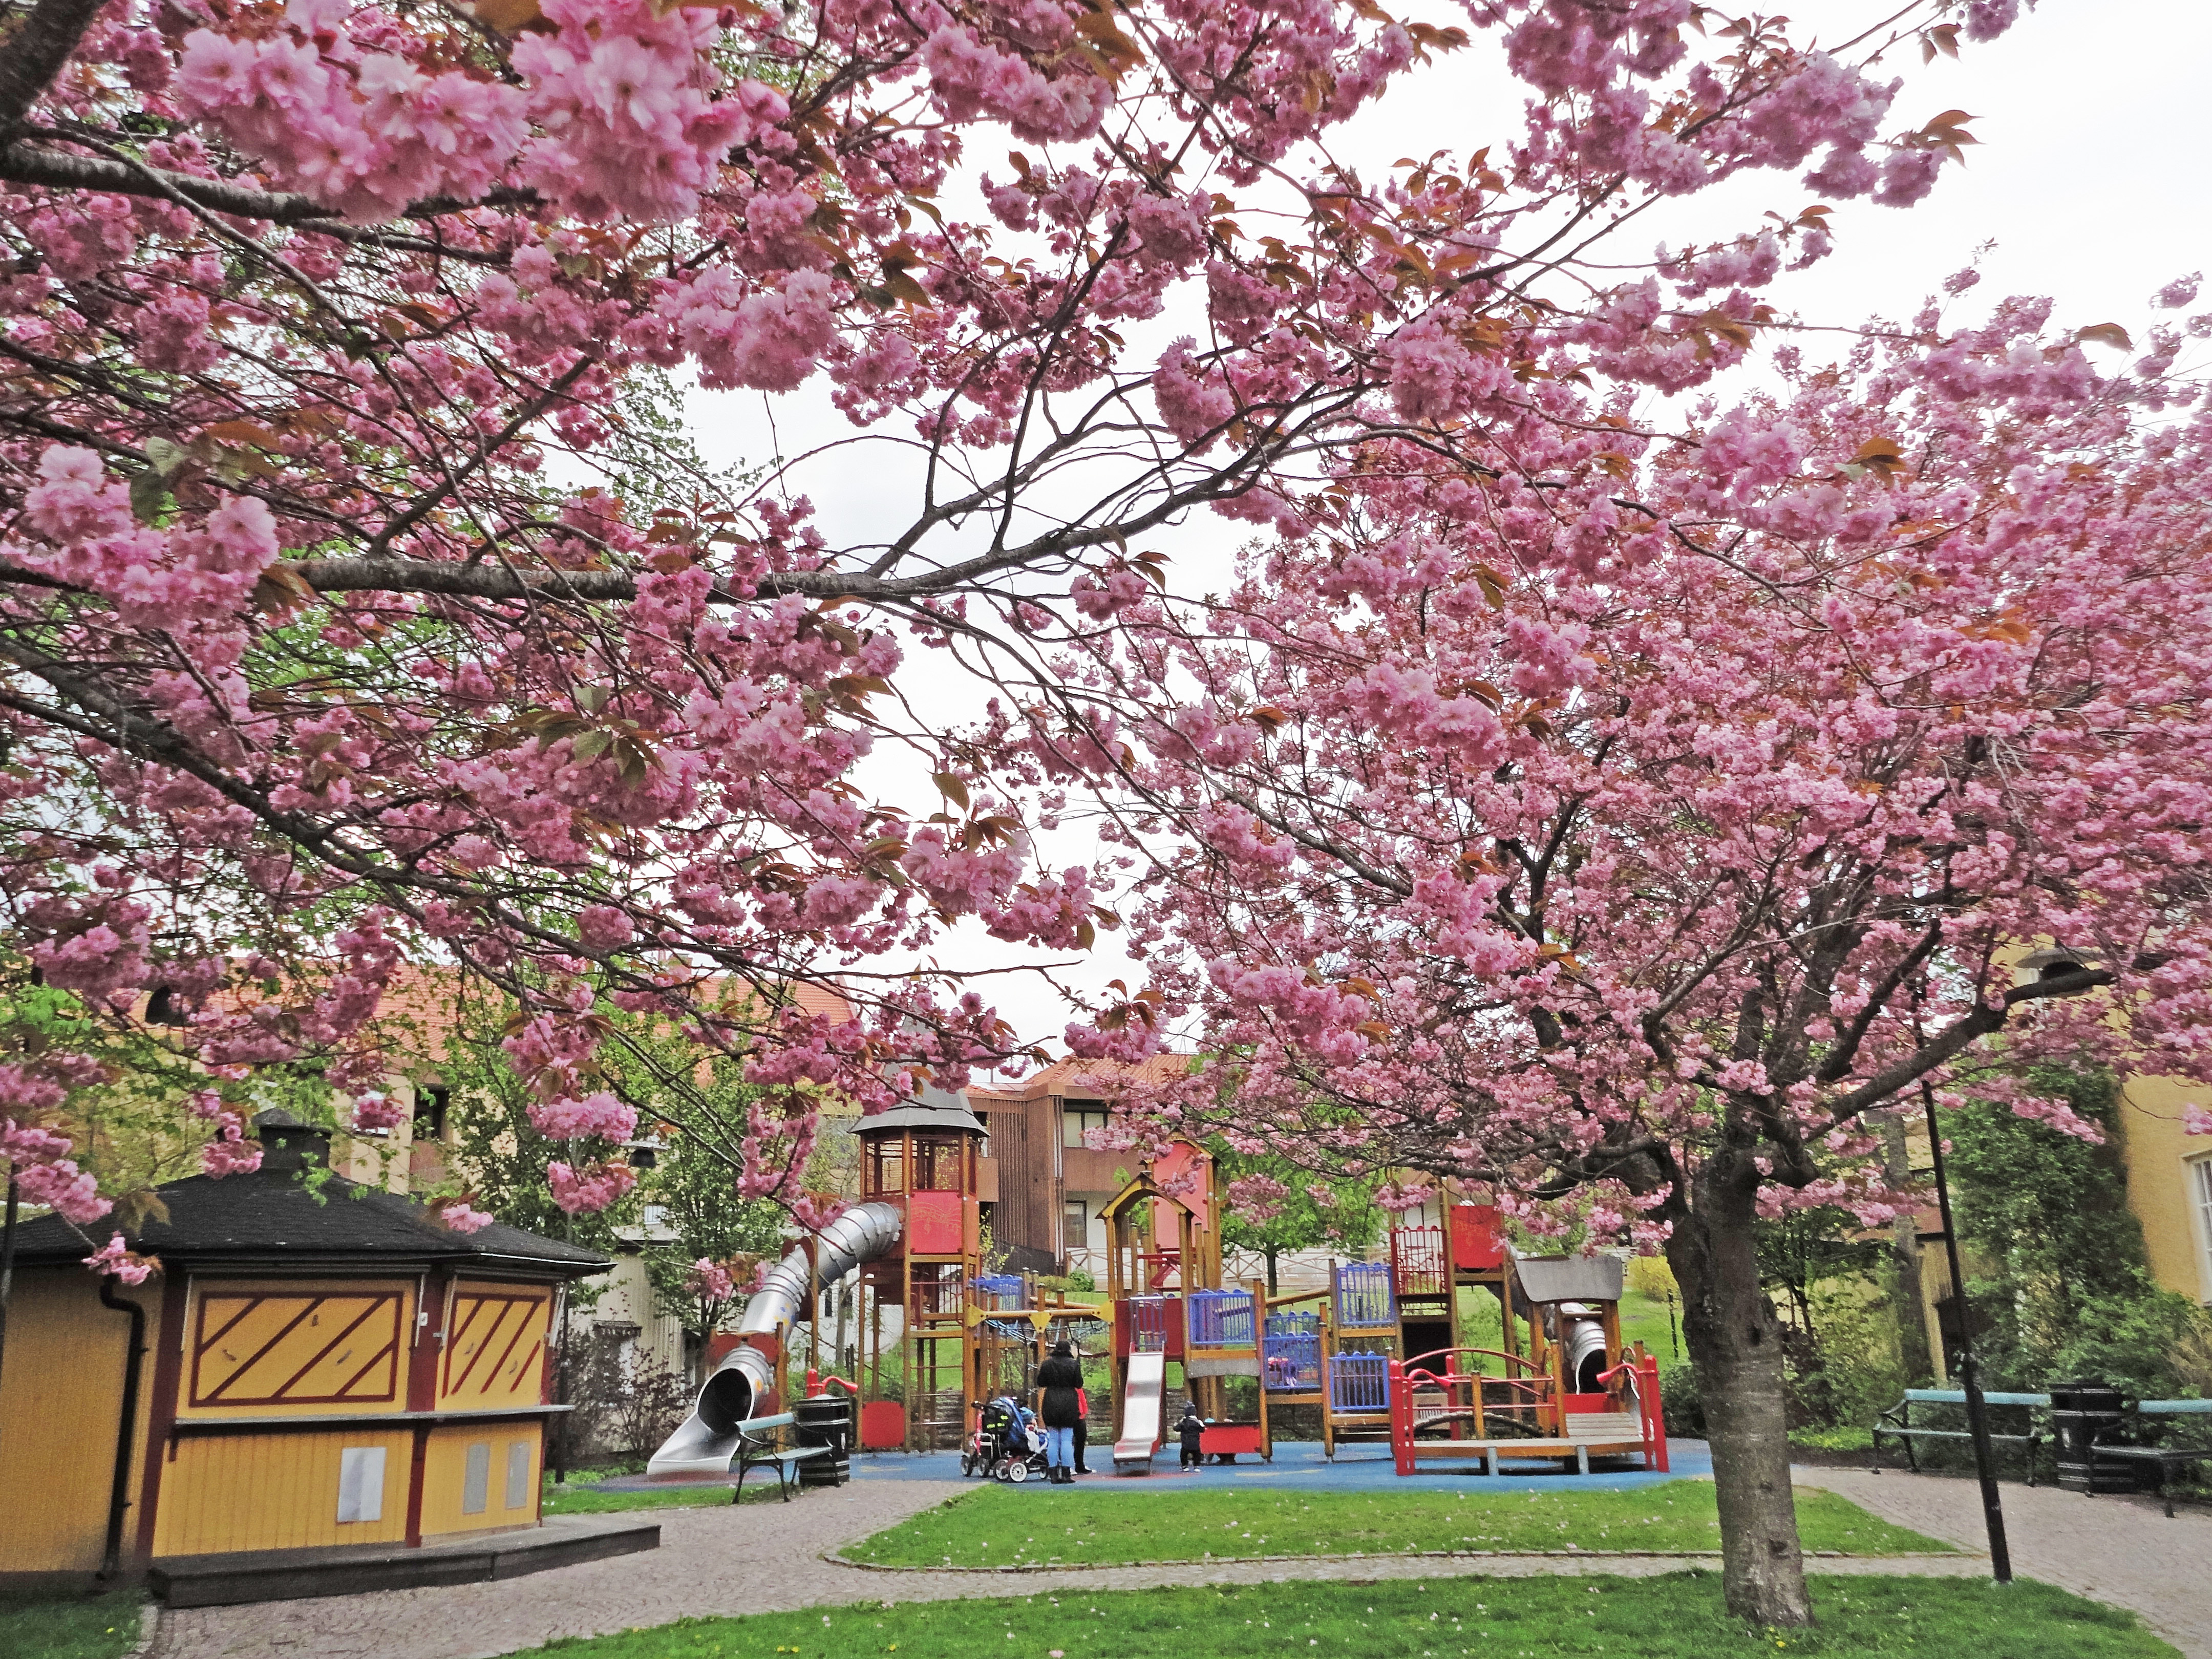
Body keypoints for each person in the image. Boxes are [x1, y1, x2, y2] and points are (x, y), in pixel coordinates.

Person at [1035, 1339, 1085, 1484]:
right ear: (1068, 1349)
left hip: (1050, 1401)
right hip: (1069, 1403)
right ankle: (1066, 1474)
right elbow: (1079, 1383)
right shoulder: (1073, 1364)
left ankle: (1053, 1474)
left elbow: (1041, 1383)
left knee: (1054, 1439)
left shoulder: (1047, 1363)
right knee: (1066, 1440)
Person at [1176, 1399, 1206, 1470]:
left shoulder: (1183, 1422)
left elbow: (1176, 1428)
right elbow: (1203, 1430)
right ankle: (1197, 1466)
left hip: (1185, 1443)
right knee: (1197, 1454)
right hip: (1195, 1442)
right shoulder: (1198, 1422)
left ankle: (1185, 1466)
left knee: (1184, 1455)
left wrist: (1180, 1422)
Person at [1072, 1376, 1091, 1476]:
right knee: (1064, 1440)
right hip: (1069, 1412)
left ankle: (1079, 1465)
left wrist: (1084, 1411)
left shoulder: (1077, 1384)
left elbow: (1081, 1395)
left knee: (1081, 1438)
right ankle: (1066, 1466)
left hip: (1079, 1414)